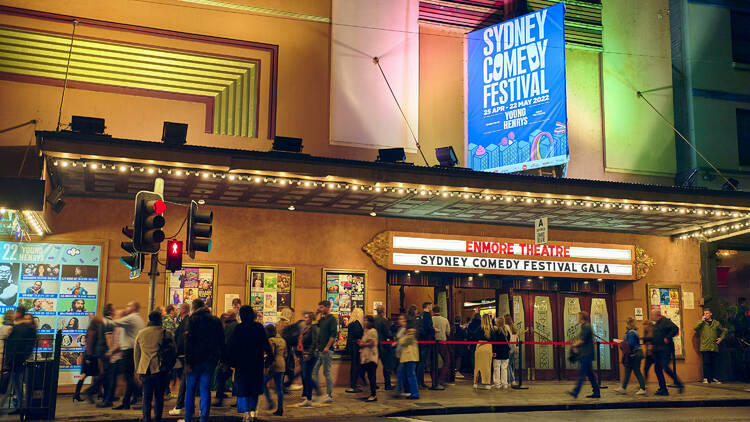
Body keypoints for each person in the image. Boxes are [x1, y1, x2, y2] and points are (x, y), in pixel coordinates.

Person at [178, 299, 224, 422]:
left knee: (190, 390)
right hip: (210, 361)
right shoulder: (215, 321)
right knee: (205, 389)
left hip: (194, 361)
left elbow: (188, 342)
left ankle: (188, 417)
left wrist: (188, 361)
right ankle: (204, 418)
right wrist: (223, 359)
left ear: (193, 308)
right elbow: (221, 341)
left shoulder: (192, 320)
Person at [227, 306, 271, 422]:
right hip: (256, 362)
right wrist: (269, 360)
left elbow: (232, 347)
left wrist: (230, 362)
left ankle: (245, 413)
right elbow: (266, 344)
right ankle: (252, 411)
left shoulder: (239, 328)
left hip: (242, 363)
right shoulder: (259, 327)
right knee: (254, 388)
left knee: (242, 387)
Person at [102, 301, 145, 410]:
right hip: (127, 352)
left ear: (134, 307)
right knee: (128, 377)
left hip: (126, 352)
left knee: (128, 377)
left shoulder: (130, 320)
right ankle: (131, 398)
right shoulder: (134, 319)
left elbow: (114, 328)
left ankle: (137, 395)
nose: (126, 307)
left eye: (128, 305)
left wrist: (99, 320)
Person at [135, 310, 175, 422]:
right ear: (160, 320)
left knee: (146, 397)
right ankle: (158, 418)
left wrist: (138, 369)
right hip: (161, 369)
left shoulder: (141, 333)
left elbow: (136, 353)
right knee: (159, 397)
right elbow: (173, 351)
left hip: (145, 369)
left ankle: (146, 418)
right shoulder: (166, 333)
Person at [4, 306, 36, 410]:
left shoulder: (20, 329)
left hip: (18, 360)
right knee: (17, 384)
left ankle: (22, 406)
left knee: (17, 384)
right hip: (20, 360)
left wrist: (8, 361)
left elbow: (13, 345)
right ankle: (21, 405)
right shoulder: (26, 329)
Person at [651, 309, 683, 396]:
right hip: (658, 350)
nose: (651, 316)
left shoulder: (665, 321)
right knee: (657, 369)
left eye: (652, 315)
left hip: (665, 349)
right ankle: (663, 389)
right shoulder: (656, 324)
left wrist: (668, 337)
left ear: (657, 314)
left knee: (665, 367)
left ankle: (679, 383)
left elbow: (675, 328)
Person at [568, 311, 600, 399]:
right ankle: (596, 391)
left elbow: (582, 340)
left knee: (582, 374)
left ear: (582, 317)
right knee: (590, 374)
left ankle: (575, 392)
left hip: (586, 354)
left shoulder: (586, 326)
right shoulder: (585, 326)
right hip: (587, 353)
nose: (578, 318)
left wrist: (574, 345)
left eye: (579, 317)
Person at [169, 302, 191, 416]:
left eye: (179, 308)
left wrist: (179, 353)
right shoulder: (184, 321)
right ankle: (182, 404)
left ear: (184, 310)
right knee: (184, 380)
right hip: (183, 356)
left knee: (184, 380)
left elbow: (183, 340)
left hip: (183, 356)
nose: (177, 310)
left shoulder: (186, 322)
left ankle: (180, 405)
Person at [312, 300, 337, 403]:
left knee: (326, 372)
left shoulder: (332, 319)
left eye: (322, 307)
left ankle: (329, 395)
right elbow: (312, 325)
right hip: (320, 350)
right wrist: (316, 313)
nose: (320, 309)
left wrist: (327, 347)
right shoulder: (322, 319)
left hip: (327, 351)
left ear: (327, 307)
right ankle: (317, 393)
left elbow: (333, 335)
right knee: (314, 371)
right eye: (320, 307)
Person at [614, 317, 646, 395]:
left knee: (636, 370)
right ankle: (623, 388)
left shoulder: (631, 332)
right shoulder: (633, 331)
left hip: (635, 354)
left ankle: (642, 388)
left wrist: (621, 342)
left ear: (628, 324)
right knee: (628, 370)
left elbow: (630, 344)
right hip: (636, 353)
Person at [694, 308, 726, 384]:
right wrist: (701, 321)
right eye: (704, 313)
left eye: (707, 313)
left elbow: (724, 331)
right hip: (705, 346)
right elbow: (695, 328)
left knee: (714, 363)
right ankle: (706, 378)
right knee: (706, 363)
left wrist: (721, 338)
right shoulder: (702, 323)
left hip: (714, 346)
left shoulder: (716, 323)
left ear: (711, 314)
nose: (705, 315)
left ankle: (714, 378)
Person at [73, 317, 101, 402]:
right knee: (96, 375)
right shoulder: (94, 331)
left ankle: (77, 394)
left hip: (88, 356)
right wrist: (90, 357)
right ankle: (90, 393)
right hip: (91, 356)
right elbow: (91, 344)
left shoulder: (90, 330)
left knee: (86, 375)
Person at [214, 309, 238, 407]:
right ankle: (235, 399)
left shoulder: (230, 327)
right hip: (233, 356)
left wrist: (223, 358)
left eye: (228, 314)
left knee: (222, 376)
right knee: (230, 377)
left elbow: (226, 342)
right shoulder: (234, 326)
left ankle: (220, 397)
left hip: (229, 357)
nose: (226, 315)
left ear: (232, 316)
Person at [263, 324, 286, 416]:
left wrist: (266, 367)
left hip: (274, 366)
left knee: (262, 382)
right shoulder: (283, 340)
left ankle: (270, 401)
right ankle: (280, 409)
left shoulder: (271, 340)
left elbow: (270, 355)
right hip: (282, 365)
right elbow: (285, 354)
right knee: (279, 388)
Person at [396, 315, 419, 399]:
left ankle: (415, 393)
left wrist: (400, 340)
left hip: (410, 356)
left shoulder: (411, 331)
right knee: (405, 374)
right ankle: (409, 392)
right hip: (406, 356)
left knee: (411, 375)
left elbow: (404, 341)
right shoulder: (407, 331)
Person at [298, 311, 318, 407]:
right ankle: (309, 396)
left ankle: (309, 398)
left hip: (309, 355)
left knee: (307, 376)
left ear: (311, 319)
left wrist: (308, 353)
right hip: (304, 354)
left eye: (307, 317)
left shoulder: (313, 329)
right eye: (305, 317)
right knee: (305, 376)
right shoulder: (306, 328)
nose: (305, 319)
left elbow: (314, 342)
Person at [374, 305, 394, 390]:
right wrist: (392, 337)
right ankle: (387, 384)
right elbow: (387, 333)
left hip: (375, 345)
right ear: (383, 311)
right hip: (384, 346)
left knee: (374, 366)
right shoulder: (384, 320)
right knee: (386, 365)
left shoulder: (374, 320)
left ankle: (373, 383)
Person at [345, 307, 365, 393]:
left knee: (355, 365)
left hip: (351, 346)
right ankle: (353, 385)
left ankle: (354, 384)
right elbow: (358, 335)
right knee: (355, 365)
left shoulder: (351, 323)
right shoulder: (357, 323)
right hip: (355, 346)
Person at [360, 315, 379, 402]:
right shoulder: (365, 331)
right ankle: (369, 392)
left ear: (371, 322)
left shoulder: (373, 331)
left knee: (371, 376)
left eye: (366, 320)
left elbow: (371, 343)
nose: (364, 322)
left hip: (371, 357)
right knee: (361, 373)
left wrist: (362, 344)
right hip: (365, 357)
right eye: (364, 320)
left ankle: (373, 394)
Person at [416, 302, 435, 389]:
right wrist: (434, 330)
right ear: (428, 306)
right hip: (426, 340)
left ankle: (419, 381)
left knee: (419, 362)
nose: (431, 307)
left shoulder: (419, 315)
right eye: (431, 306)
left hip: (419, 340)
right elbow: (428, 327)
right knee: (422, 362)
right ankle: (420, 382)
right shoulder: (427, 315)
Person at [432, 305, 451, 387]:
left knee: (433, 362)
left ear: (433, 311)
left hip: (433, 343)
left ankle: (434, 380)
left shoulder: (431, 320)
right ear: (440, 310)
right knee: (447, 361)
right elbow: (448, 332)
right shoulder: (445, 320)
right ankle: (441, 378)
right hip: (443, 342)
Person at [473, 313, 493, 390]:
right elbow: (494, 339)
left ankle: (475, 383)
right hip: (488, 347)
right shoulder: (492, 329)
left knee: (477, 366)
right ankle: (487, 383)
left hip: (479, 346)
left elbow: (474, 335)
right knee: (487, 367)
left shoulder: (479, 328)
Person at [492, 317, 510, 390]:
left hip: (498, 352)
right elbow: (508, 340)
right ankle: (504, 383)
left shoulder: (496, 332)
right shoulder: (506, 332)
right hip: (505, 352)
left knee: (496, 368)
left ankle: (497, 384)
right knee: (504, 368)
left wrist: (494, 351)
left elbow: (494, 342)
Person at [451, 315, 468, 381]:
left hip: (452, 344)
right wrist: (464, 329)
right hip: (459, 345)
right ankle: (457, 371)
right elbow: (465, 336)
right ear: (460, 320)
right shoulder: (460, 328)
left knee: (454, 357)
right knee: (459, 358)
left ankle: (453, 370)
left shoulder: (452, 327)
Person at [503, 315, 518, 386]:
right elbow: (517, 338)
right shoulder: (513, 327)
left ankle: (510, 380)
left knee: (507, 365)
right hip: (514, 346)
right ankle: (512, 380)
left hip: (509, 346)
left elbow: (506, 337)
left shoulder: (506, 327)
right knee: (510, 364)